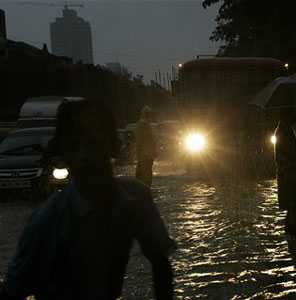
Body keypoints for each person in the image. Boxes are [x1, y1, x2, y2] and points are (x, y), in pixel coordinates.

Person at [0, 100, 175, 300]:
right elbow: (12, 292)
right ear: (65, 155)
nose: (85, 156)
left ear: (114, 147)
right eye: (74, 146)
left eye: (94, 143)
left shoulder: (136, 198)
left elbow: (160, 264)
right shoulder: (47, 222)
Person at [274, 108, 296, 235]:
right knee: (294, 206)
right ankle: (292, 234)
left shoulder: (284, 130)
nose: (295, 118)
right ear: (288, 116)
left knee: (293, 206)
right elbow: (295, 151)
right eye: (294, 115)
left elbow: (294, 152)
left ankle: (291, 235)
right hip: (290, 175)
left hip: (289, 173)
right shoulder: (283, 132)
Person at [135, 105, 158, 187]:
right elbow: (142, 140)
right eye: (148, 113)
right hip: (145, 154)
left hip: (145, 154)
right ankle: (145, 188)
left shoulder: (144, 123)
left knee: (142, 173)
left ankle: (143, 188)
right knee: (145, 173)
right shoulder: (143, 124)